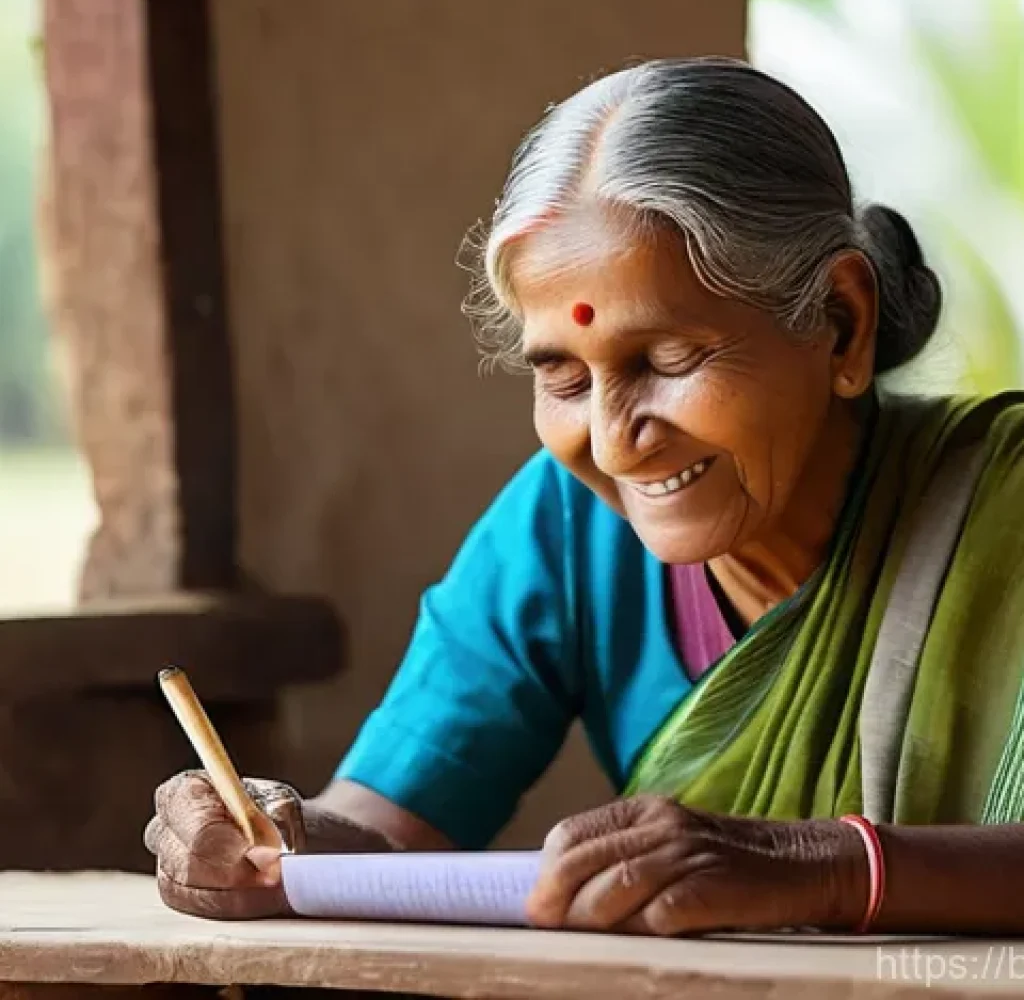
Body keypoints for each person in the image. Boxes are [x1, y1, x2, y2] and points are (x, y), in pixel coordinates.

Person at [145, 58, 1024, 936]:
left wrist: (824, 866)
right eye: (563, 379)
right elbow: (384, 830)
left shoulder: (1004, 509)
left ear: (841, 321)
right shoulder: (566, 530)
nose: (611, 442)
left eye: (668, 361)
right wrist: (269, 837)